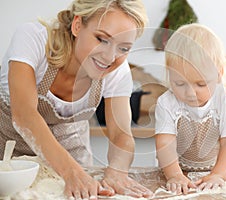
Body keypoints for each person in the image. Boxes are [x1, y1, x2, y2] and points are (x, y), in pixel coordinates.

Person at [0, 0, 153, 199]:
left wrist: (118, 171)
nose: (109, 56)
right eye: (101, 39)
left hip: (74, 161)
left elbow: (121, 134)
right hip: (8, 162)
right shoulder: (33, 38)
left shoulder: (118, 71)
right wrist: (71, 172)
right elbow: (24, 115)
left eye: (123, 48)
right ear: (78, 25)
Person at [155, 23, 226, 195]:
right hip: (178, 173)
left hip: (218, 171)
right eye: (179, 83)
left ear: (219, 74)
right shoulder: (166, 102)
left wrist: (218, 174)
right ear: (169, 74)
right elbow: (165, 143)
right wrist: (174, 175)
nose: (190, 93)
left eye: (201, 84)